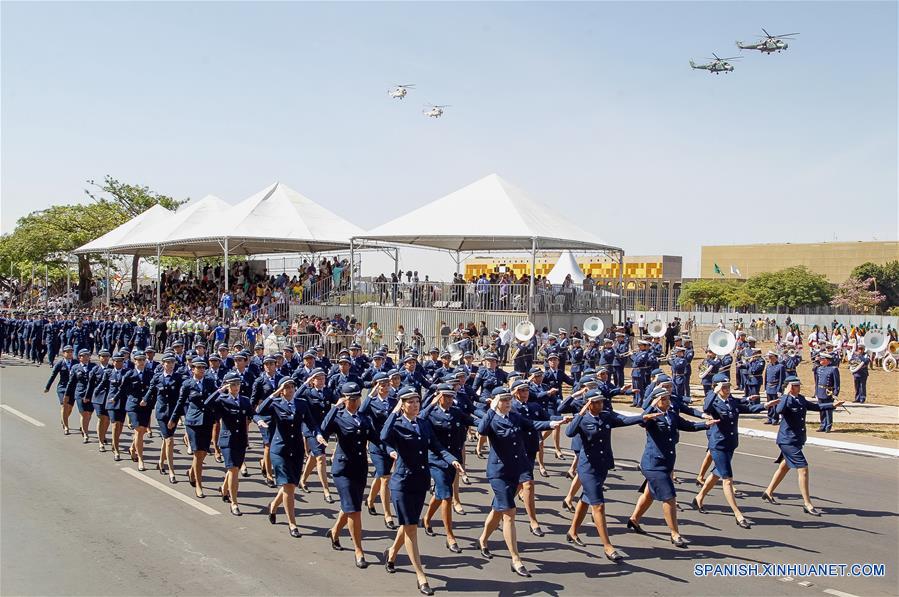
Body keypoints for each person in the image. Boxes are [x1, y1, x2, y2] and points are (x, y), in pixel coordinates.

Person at [381, 386, 466, 595]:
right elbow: (384, 436)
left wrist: (453, 460)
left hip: (420, 481)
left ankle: (392, 553)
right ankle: (421, 576)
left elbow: (436, 446)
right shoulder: (397, 424)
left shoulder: (423, 423)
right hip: (402, 482)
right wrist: (394, 412)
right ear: (402, 405)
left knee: (407, 524)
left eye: (417, 401)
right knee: (411, 528)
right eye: (410, 402)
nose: (415, 405)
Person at [476, 387, 566, 578]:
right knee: (509, 512)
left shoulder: (515, 416)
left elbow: (532, 424)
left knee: (498, 509)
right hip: (499, 472)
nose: (508, 403)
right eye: (503, 400)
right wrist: (492, 409)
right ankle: (516, 559)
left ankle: (483, 539)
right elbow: (482, 430)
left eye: (509, 400)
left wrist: (554, 422)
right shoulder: (491, 418)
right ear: (496, 402)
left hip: (517, 468)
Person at [564, 390, 660, 561]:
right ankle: (608, 546)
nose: (600, 405)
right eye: (596, 402)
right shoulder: (582, 420)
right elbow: (569, 432)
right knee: (598, 505)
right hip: (588, 468)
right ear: (588, 404)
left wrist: (643, 417)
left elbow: (623, 420)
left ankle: (572, 531)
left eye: (601, 402)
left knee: (587, 499)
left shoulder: (606, 416)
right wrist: (580, 412)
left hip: (603, 466)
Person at [627, 387, 717, 547]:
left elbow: (688, 425)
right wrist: (650, 406)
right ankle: (675, 533)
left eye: (668, 399)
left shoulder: (670, 415)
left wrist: (706, 424)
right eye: (663, 399)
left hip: (667, 462)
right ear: (656, 401)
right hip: (653, 464)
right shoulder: (650, 417)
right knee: (669, 498)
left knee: (649, 494)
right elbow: (642, 419)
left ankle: (634, 520)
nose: (668, 402)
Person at [693, 374, 778, 528]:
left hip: (731, 443)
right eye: (723, 387)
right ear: (717, 388)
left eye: (728, 387)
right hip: (718, 444)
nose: (727, 390)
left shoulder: (731, 401)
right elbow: (706, 408)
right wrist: (715, 391)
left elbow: (746, 408)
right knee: (727, 479)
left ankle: (699, 498)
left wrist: (765, 406)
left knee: (717, 474)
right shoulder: (713, 401)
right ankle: (738, 514)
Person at [762, 376, 843, 516]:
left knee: (785, 466)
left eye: (799, 385)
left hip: (797, 439)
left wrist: (832, 405)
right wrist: (786, 394)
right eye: (796, 385)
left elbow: (815, 406)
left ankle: (768, 492)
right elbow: (779, 411)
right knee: (803, 468)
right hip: (787, 440)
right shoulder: (785, 399)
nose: (799, 387)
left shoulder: (800, 398)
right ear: (790, 387)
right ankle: (807, 503)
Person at [321, 382, 379, 569]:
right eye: (351, 399)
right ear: (344, 399)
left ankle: (335, 531)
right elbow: (323, 429)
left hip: (359, 468)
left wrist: (392, 450)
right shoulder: (338, 417)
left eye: (357, 398)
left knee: (350, 505)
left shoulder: (363, 417)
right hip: (343, 469)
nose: (354, 402)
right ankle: (358, 550)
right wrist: (335, 407)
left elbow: (376, 438)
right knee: (354, 509)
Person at [258, 376, 326, 537]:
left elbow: (311, 423)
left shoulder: (301, 404)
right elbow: (259, 410)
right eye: (286, 388)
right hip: (280, 450)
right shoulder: (275, 404)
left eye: (291, 387)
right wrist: (275, 394)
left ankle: (274, 505)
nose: (289, 390)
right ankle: (292, 524)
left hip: (296, 450)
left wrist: (317, 435)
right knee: (288, 486)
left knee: (291, 485)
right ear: (281, 390)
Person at [419, 384, 475, 551]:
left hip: (453, 460)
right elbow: (419, 418)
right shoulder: (430, 413)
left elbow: (472, 420)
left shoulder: (456, 412)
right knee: (447, 496)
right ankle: (450, 536)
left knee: (441, 493)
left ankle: (427, 518)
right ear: (439, 397)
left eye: (452, 397)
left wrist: (490, 419)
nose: (450, 400)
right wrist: (431, 404)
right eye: (446, 396)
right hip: (436, 460)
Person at [207, 372, 257, 515]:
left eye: (238, 384)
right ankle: (234, 503)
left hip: (241, 439)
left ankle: (224, 489)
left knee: (234, 468)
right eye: (233, 384)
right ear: (228, 386)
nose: (236, 387)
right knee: (234, 470)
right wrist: (220, 390)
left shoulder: (245, 400)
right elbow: (207, 403)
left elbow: (252, 413)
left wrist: (258, 420)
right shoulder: (221, 399)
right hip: (227, 439)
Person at [172, 357, 219, 498]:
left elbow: (216, 398)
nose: (201, 370)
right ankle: (198, 484)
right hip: (193, 421)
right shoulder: (188, 384)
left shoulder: (210, 382)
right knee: (198, 453)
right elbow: (180, 402)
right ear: (193, 369)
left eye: (203, 368)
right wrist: (174, 418)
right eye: (198, 367)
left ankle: (192, 471)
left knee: (204, 452)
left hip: (207, 421)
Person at [360, 372, 398, 529]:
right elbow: (361, 411)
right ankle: (388, 515)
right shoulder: (372, 402)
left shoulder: (393, 401)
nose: (385, 387)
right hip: (376, 444)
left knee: (381, 474)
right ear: (376, 386)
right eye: (382, 385)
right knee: (385, 477)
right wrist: (371, 394)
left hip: (391, 444)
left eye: (387, 384)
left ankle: (370, 499)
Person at [298, 368, 336, 502]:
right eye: (318, 379)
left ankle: (302, 480)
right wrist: (305, 384)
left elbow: (338, 401)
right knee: (321, 457)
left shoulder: (327, 392)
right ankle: (326, 490)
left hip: (323, 430)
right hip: (310, 429)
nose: (321, 381)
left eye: (323, 378)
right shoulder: (307, 392)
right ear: (312, 380)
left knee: (314, 456)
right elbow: (296, 396)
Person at [146, 352, 182, 483]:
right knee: (169, 441)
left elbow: (181, 395)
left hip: (173, 414)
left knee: (167, 440)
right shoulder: (157, 377)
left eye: (172, 363)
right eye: (168, 362)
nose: (170, 365)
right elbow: (151, 390)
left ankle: (161, 462)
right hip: (161, 413)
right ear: (163, 364)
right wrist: (144, 401)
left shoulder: (178, 378)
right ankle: (171, 470)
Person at [45, 345, 76, 434]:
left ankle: (64, 418)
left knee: (69, 408)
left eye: (71, 352)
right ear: (63, 353)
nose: (70, 353)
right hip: (62, 387)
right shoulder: (60, 363)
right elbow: (53, 375)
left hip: (72, 388)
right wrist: (47, 387)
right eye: (67, 352)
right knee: (64, 405)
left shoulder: (76, 362)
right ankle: (66, 427)